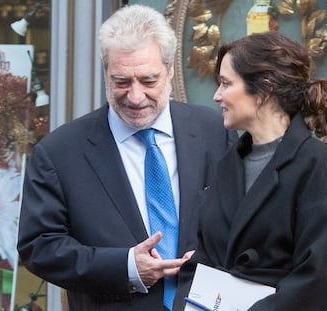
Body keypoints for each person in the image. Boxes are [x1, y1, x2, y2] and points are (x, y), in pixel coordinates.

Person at [17, 4, 236, 311]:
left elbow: (242, 222)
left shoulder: (215, 131)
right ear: (105, 71)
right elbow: (39, 247)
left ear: (170, 70)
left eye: (148, 80)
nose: (135, 97)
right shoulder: (59, 153)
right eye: (121, 81)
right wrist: (126, 266)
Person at [174, 31, 327, 311]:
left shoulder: (313, 162)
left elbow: (322, 275)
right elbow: (201, 257)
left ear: (264, 90)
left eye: (226, 84)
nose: (217, 95)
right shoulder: (230, 161)